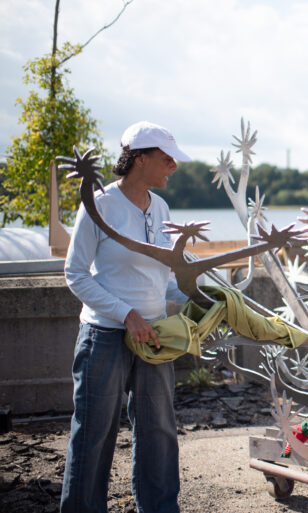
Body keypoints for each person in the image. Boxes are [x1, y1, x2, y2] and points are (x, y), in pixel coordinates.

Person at [61, 121, 191, 513]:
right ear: (140, 159)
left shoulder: (162, 207)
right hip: (103, 337)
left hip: (155, 336)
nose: (174, 166)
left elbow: (164, 276)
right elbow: (75, 274)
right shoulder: (99, 205)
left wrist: (200, 296)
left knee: (159, 432)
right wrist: (126, 314)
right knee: (93, 433)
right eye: (167, 159)